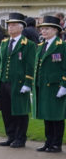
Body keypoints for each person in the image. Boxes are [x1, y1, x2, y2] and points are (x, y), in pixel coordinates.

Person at [0, 12, 35, 148]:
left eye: (13, 25)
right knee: (6, 111)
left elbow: (30, 65)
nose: (10, 28)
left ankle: (20, 138)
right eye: (9, 25)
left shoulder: (28, 44)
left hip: (18, 83)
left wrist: (28, 83)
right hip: (5, 81)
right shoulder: (5, 43)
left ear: (21, 27)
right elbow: (0, 62)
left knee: (20, 112)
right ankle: (10, 136)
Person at [33, 16, 66, 152]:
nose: (43, 31)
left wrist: (64, 85)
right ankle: (48, 141)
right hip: (43, 86)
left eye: (46, 29)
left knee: (57, 116)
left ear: (55, 30)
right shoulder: (41, 46)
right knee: (47, 115)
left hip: (56, 86)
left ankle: (56, 144)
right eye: (42, 29)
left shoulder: (62, 46)